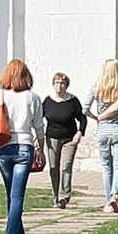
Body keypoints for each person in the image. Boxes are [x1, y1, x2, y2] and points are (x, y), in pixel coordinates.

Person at [0, 61, 39, 234]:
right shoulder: (32, 97)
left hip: (3, 146)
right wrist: (41, 146)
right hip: (24, 145)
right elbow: (39, 126)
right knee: (17, 196)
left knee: (11, 194)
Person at [89, 59, 118, 214]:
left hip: (103, 131)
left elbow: (85, 108)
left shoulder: (96, 88)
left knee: (107, 168)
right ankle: (115, 195)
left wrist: (97, 117)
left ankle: (108, 202)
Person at [40, 71, 87, 210]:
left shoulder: (72, 101)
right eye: (57, 83)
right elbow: (39, 118)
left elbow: (82, 118)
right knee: (54, 168)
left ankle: (63, 196)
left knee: (65, 166)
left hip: (69, 138)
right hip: (52, 138)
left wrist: (80, 132)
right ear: (53, 84)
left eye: (62, 83)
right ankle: (55, 195)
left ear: (67, 85)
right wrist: (38, 136)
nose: (59, 86)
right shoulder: (48, 101)